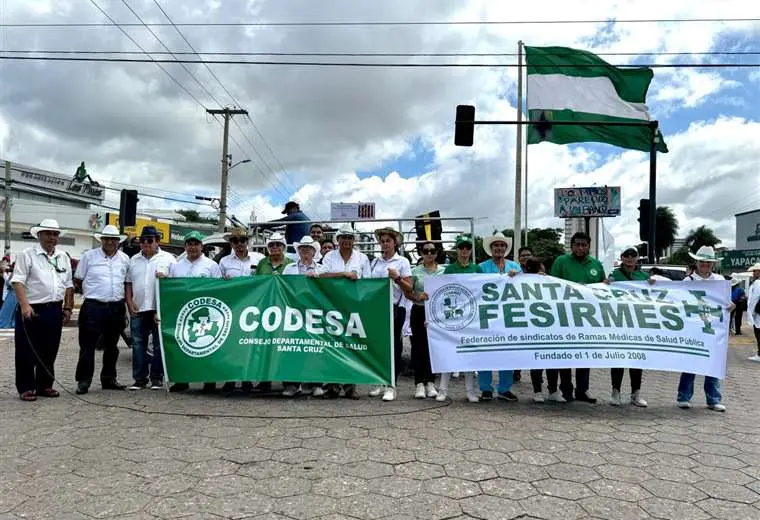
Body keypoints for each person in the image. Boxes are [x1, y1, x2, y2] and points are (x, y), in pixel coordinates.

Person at [11, 219, 74, 401]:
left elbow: (68, 285)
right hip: (32, 309)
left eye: (55, 234)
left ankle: (45, 385)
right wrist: (24, 305)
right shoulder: (27, 254)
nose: (51, 238)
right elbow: (18, 281)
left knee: (49, 349)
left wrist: (68, 307)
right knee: (26, 350)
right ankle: (26, 387)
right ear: (39, 235)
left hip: (54, 309)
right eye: (47, 233)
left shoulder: (63, 257)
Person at [73, 225, 130, 395]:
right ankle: (83, 381)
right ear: (101, 240)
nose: (110, 242)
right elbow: (78, 280)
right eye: (106, 239)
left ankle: (109, 379)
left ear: (118, 241)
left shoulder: (125, 259)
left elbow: (127, 283)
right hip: (93, 306)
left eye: (113, 239)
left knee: (112, 346)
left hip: (116, 307)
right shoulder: (88, 257)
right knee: (87, 345)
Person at [550, 231, 605, 403]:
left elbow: (603, 288)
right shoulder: (561, 261)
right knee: (565, 353)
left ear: (589, 246)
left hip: (587, 318)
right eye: (577, 244)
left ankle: (583, 390)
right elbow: (552, 285)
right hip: (564, 316)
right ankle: (566, 389)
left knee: (585, 353)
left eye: (584, 245)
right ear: (572, 246)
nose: (580, 248)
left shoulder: (596, 264)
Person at [676, 246, 731, 412]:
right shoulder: (688, 281)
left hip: (713, 328)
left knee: (713, 363)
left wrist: (729, 307)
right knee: (690, 362)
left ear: (712, 264)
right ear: (696, 262)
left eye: (708, 262)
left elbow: (725, 303)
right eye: (702, 261)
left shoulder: (720, 281)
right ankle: (684, 397)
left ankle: (713, 400)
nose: (705, 264)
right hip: (693, 327)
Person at [168, 231, 223, 393]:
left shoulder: (212, 265)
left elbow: (220, 289)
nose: (192, 247)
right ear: (185, 246)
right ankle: (182, 380)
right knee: (181, 346)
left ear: (202, 246)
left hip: (206, 312)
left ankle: (209, 380)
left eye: (196, 244)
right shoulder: (176, 266)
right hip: (182, 313)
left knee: (208, 346)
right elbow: (169, 290)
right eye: (189, 244)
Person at [320, 225, 371, 399]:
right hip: (331, 306)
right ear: (338, 240)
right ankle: (332, 387)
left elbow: (369, 283)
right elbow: (321, 275)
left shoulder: (362, 258)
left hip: (353, 308)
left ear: (353, 240)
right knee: (332, 345)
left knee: (352, 346)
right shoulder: (329, 256)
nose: (346, 241)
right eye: (343, 238)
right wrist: (343, 274)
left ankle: (350, 387)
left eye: (349, 237)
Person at [126, 226, 176, 391]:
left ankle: (157, 378)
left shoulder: (169, 259)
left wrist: (166, 278)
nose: (146, 243)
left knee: (158, 345)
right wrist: (129, 301)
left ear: (157, 241)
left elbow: (176, 283)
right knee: (138, 344)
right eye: (143, 240)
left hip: (158, 309)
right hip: (138, 307)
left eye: (149, 240)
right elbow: (128, 283)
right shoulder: (133, 260)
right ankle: (139, 379)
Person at [367, 227, 413, 402]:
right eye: (382, 241)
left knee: (394, 346)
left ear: (395, 243)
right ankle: (380, 381)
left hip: (395, 307)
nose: (385, 244)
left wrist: (397, 278)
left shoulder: (402, 261)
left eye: (388, 241)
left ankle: (392, 385)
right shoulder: (374, 262)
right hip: (377, 308)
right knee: (378, 346)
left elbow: (409, 288)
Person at [218, 227, 264, 393]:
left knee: (249, 345)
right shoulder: (224, 262)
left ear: (248, 242)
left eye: (242, 241)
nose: (239, 244)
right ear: (230, 243)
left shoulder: (260, 259)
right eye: (235, 241)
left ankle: (246, 379)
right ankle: (230, 379)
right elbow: (217, 285)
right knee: (231, 344)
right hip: (233, 307)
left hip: (254, 307)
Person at [282, 236, 327, 397]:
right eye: (302, 248)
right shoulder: (289, 268)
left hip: (315, 313)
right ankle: (292, 384)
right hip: (293, 313)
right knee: (292, 347)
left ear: (314, 251)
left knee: (316, 348)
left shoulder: (322, 269)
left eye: (308, 248)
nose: (305, 251)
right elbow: (283, 288)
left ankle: (316, 384)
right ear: (298, 250)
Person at [478, 232, 520, 402]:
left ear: (506, 248)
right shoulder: (481, 267)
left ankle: (504, 388)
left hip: (508, 314)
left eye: (502, 245)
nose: (499, 248)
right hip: (488, 314)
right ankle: (485, 388)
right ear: (491, 248)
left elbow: (522, 286)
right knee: (485, 351)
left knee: (507, 351)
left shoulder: (515, 267)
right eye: (496, 245)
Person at [607, 246, 651, 407]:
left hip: (637, 323)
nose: (630, 258)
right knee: (618, 359)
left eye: (633, 255)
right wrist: (606, 284)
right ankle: (615, 392)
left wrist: (652, 284)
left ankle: (636, 393)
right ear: (622, 257)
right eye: (627, 255)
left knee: (636, 360)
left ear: (637, 258)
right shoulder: (614, 274)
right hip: (618, 322)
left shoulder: (643, 276)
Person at [439, 235, 480, 403]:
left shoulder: (476, 269)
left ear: (470, 250)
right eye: (461, 248)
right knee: (449, 352)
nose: (464, 251)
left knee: (468, 354)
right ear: (457, 250)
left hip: (470, 316)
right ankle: (443, 389)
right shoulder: (449, 270)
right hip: (452, 315)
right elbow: (442, 293)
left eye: (467, 248)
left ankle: (470, 390)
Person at [405, 241, 443, 399]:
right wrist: (417, 296)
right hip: (419, 310)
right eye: (425, 251)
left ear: (437, 253)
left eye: (432, 251)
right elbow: (408, 293)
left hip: (436, 312)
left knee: (433, 348)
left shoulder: (443, 271)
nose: (429, 253)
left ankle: (431, 382)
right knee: (418, 347)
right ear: (420, 253)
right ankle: (419, 383)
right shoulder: (414, 271)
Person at [746, 263, 760, 362]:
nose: (753, 273)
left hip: (758, 313)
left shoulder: (758, 283)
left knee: (758, 333)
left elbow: (754, 299)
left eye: (755, 271)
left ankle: (759, 355)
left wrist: (751, 313)